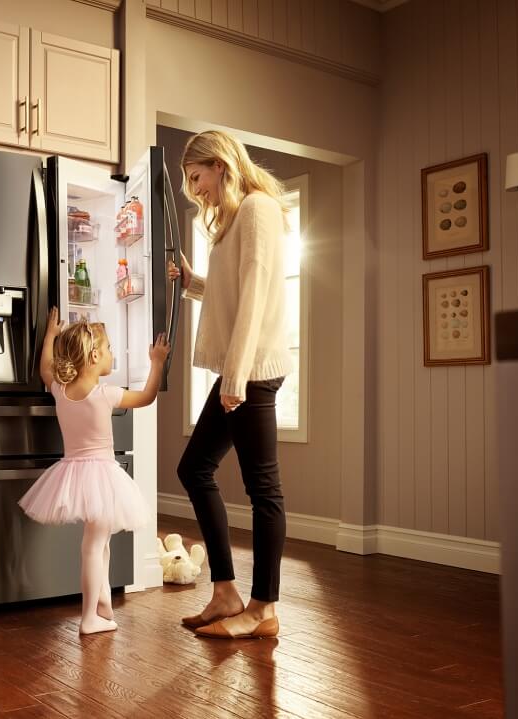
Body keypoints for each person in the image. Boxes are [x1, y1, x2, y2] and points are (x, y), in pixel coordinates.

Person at [167, 130, 294, 640]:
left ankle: (263, 609)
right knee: (195, 468)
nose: (194, 188)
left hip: (254, 370)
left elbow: (258, 296)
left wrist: (235, 376)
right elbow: (229, 292)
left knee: (263, 488)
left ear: (219, 164)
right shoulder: (238, 218)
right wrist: (191, 281)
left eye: (196, 176)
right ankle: (225, 592)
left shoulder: (258, 209)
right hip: (243, 368)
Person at [19, 308, 169, 635]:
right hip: (101, 475)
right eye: (110, 348)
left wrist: (49, 335)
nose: (113, 353)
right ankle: (89, 617)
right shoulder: (105, 394)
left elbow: (46, 368)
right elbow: (146, 397)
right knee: (94, 544)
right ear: (94, 355)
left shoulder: (60, 389)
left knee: (101, 542)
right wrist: (156, 363)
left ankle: (102, 606)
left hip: (73, 473)